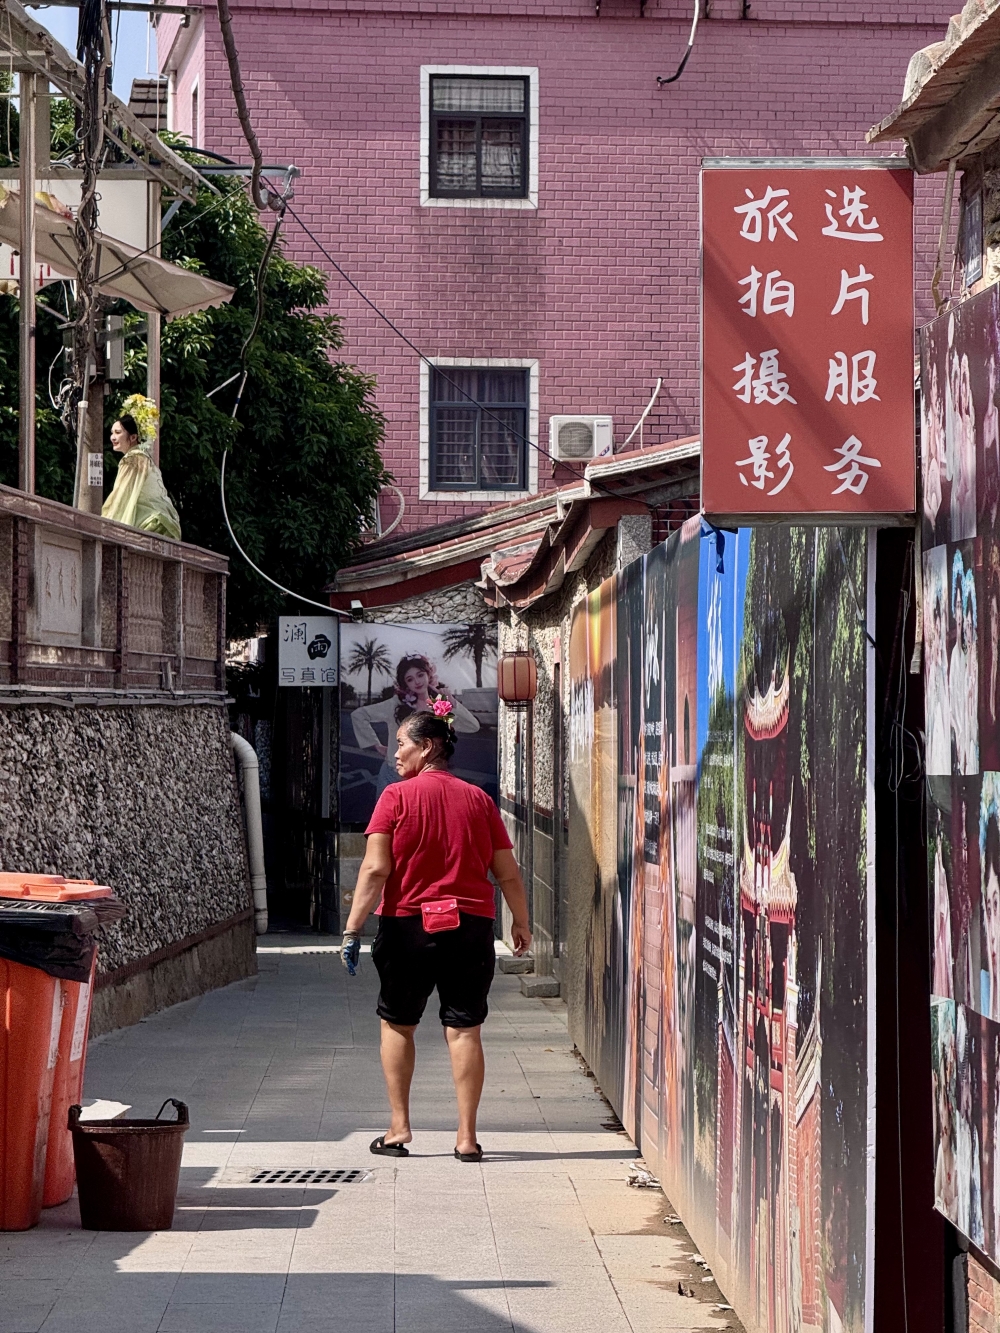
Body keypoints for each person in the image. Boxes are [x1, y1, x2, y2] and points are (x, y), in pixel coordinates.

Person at [341, 709, 530, 1162]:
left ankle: (399, 1127)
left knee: (398, 1024)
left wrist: (352, 928)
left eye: (402, 744)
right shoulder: (480, 801)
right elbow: (507, 872)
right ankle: (466, 1139)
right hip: (470, 927)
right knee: (465, 1030)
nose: (395, 753)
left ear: (426, 747)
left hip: (409, 925)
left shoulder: (394, 797)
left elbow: (375, 868)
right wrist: (521, 922)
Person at [349, 653, 480, 797]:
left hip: (426, 779)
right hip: (393, 776)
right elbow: (359, 715)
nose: (417, 682)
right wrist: (376, 745)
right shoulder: (396, 704)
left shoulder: (439, 705)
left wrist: (453, 702)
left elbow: (473, 726)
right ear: (405, 684)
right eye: (410, 679)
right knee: (389, 818)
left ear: (429, 675)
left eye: (420, 675)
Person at [101, 400, 182, 540]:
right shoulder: (144, 458)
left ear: (133, 437)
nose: (113, 437)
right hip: (164, 521)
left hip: (150, 522)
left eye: (118, 432)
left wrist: (105, 525)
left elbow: (121, 496)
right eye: (112, 432)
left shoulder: (133, 459)